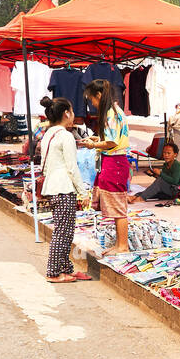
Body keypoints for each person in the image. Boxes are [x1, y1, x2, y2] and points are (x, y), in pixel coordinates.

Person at [38, 96, 91, 283]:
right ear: (66, 113)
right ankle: (53, 272)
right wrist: (83, 192)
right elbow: (72, 167)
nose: (74, 115)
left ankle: (66, 268)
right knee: (63, 232)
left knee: (65, 231)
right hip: (63, 187)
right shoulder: (65, 136)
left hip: (53, 186)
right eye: (72, 111)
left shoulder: (48, 134)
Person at [80, 79, 132, 255]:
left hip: (115, 162)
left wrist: (94, 145)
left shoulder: (111, 114)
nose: (92, 103)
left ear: (99, 95)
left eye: (92, 99)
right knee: (116, 205)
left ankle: (122, 246)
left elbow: (112, 142)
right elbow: (111, 138)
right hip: (114, 161)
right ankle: (119, 244)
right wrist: (96, 140)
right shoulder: (114, 112)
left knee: (118, 206)